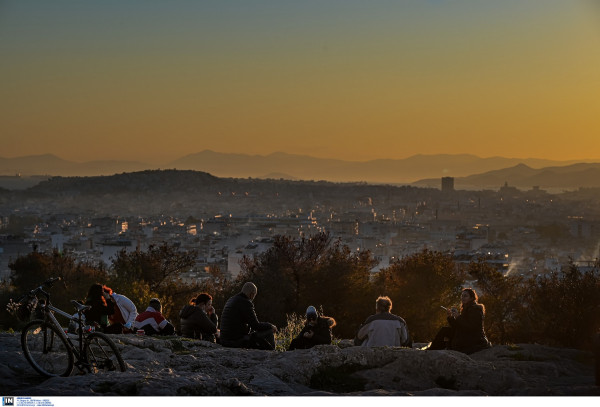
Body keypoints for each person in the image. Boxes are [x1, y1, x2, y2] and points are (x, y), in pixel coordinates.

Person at [427, 288, 491, 354]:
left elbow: (471, 327)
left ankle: (433, 350)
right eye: (462, 296)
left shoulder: (476, 310)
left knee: (449, 335)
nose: (463, 298)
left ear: (471, 298)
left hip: (475, 339)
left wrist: (458, 317)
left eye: (465, 296)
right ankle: (433, 349)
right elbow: (458, 326)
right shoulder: (466, 308)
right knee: (445, 330)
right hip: (466, 334)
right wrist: (450, 317)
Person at [219, 282, 277, 350]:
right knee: (269, 331)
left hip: (225, 340)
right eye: (254, 295)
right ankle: (273, 354)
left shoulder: (231, 299)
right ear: (251, 294)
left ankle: (270, 351)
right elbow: (256, 326)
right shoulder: (245, 302)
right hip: (235, 341)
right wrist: (270, 325)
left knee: (256, 338)